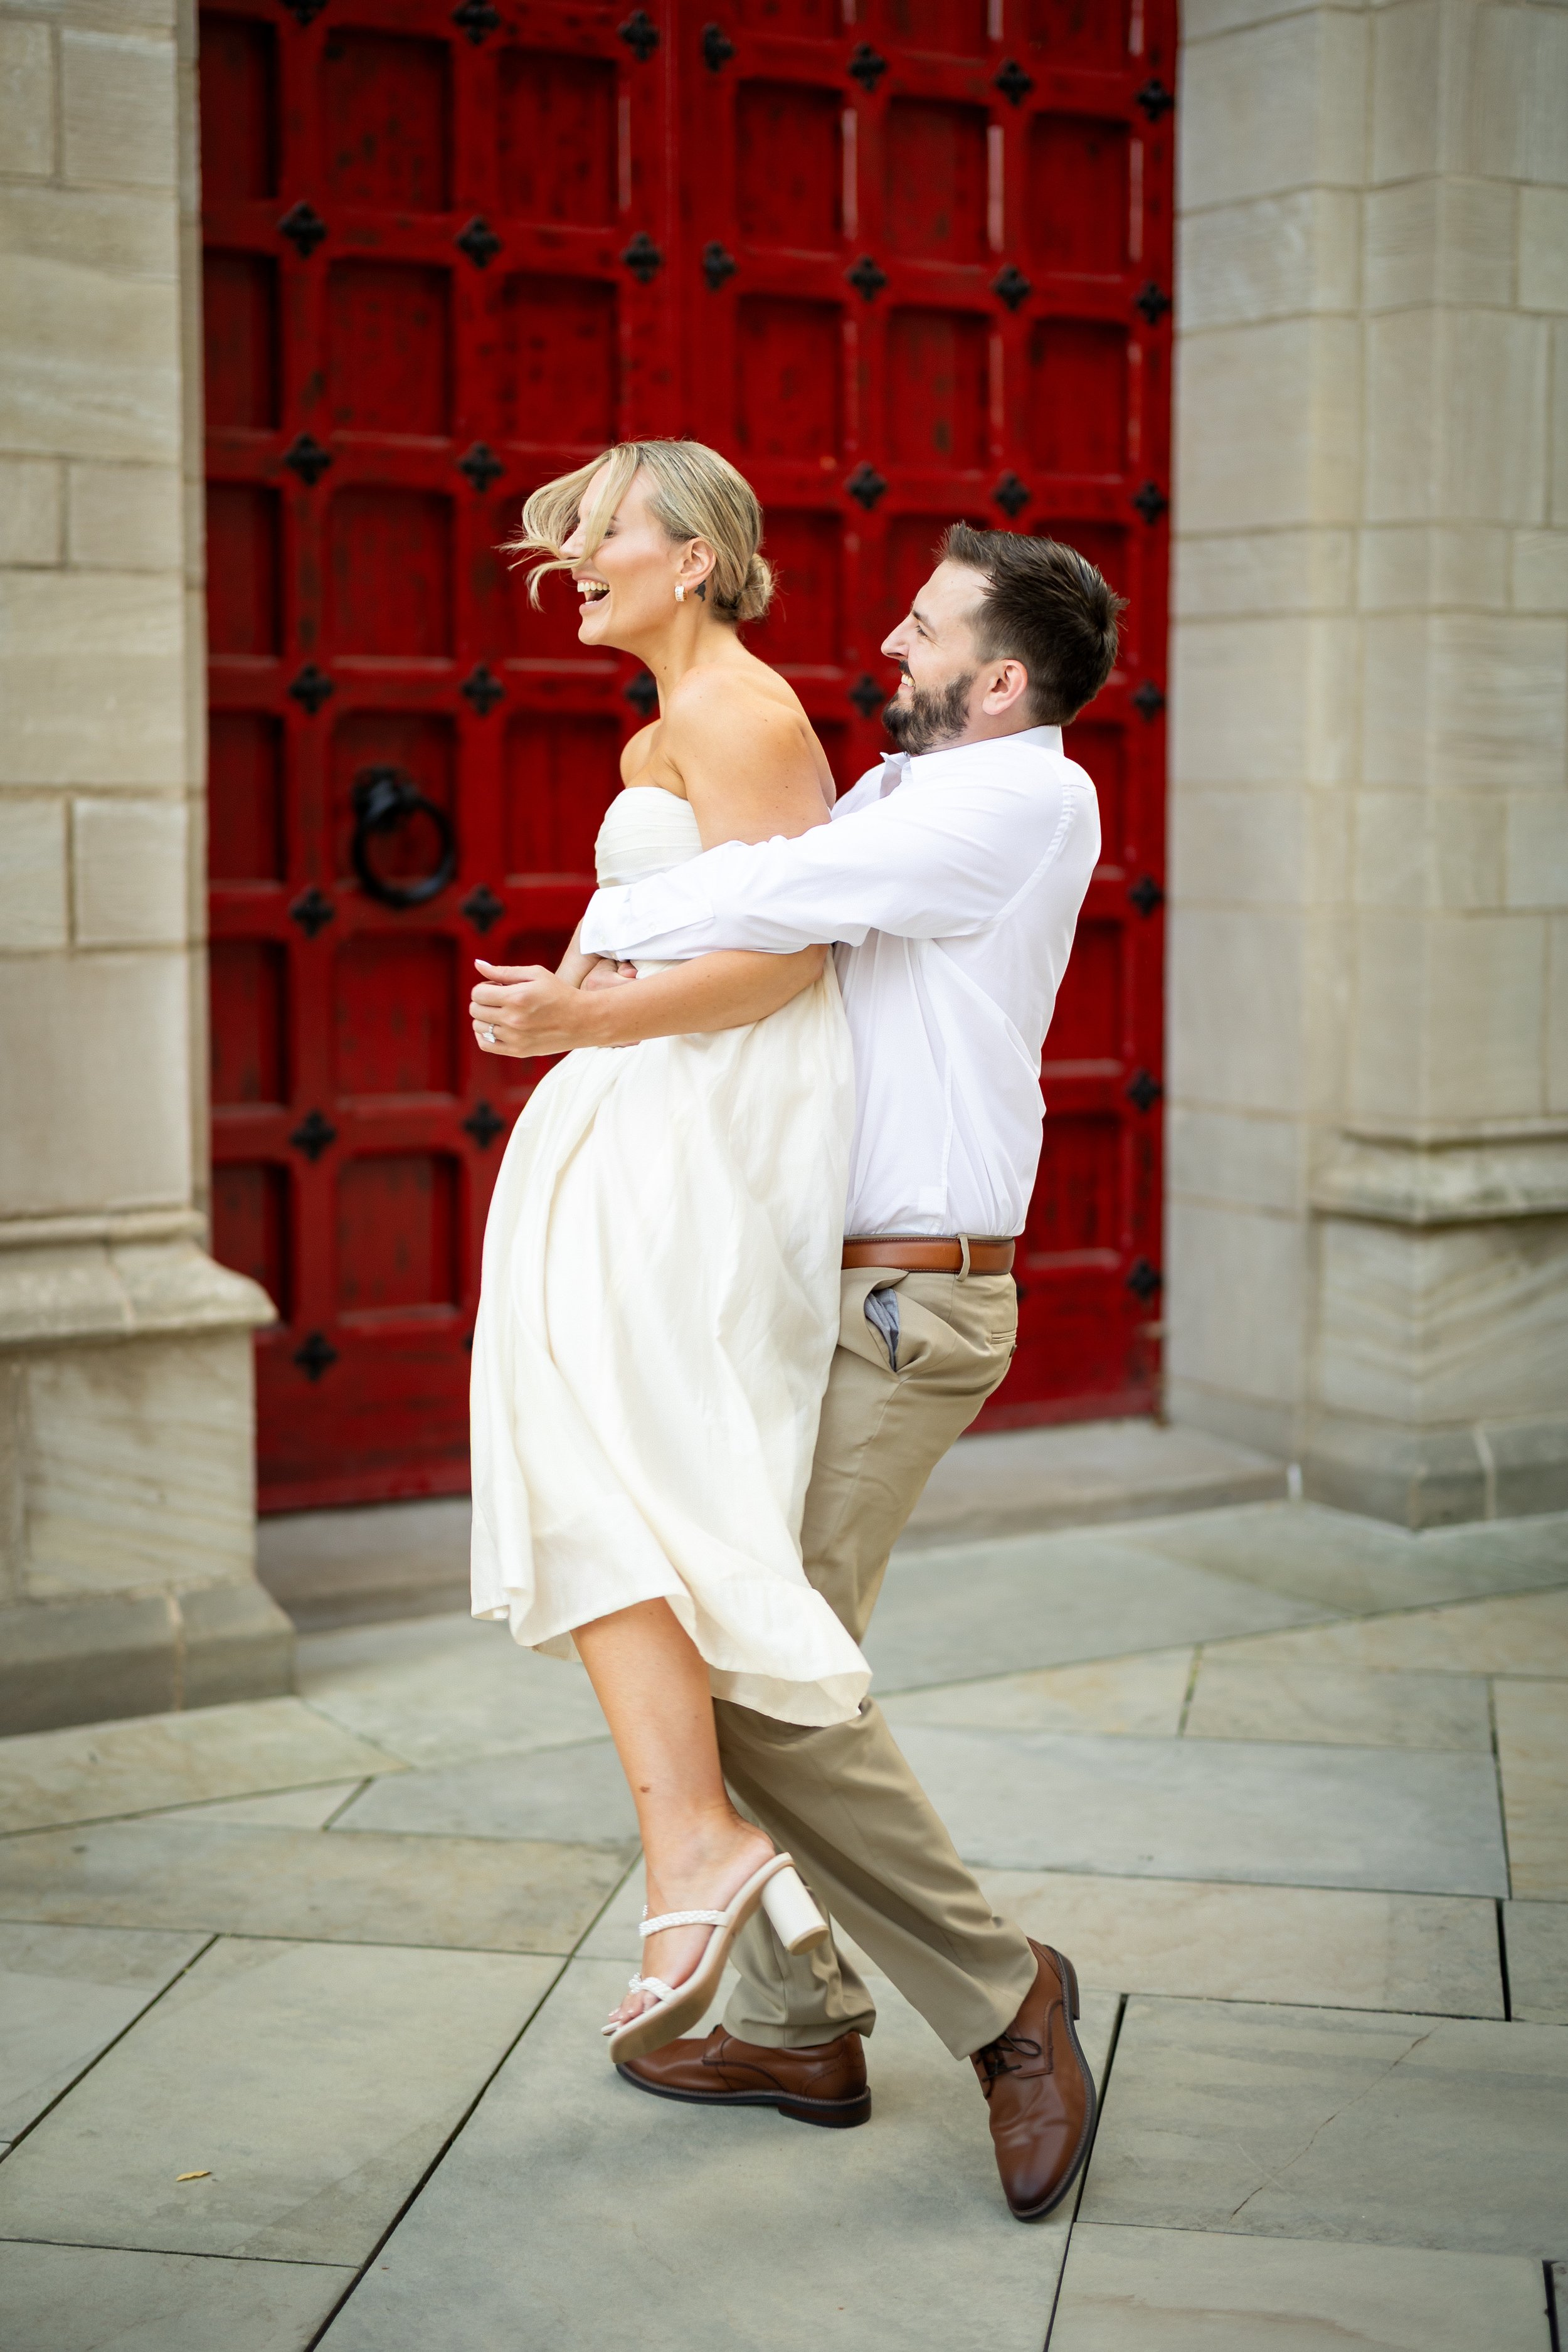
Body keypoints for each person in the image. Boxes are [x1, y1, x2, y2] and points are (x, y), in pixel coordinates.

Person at [474, 518, 1123, 2223]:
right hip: (802, 1290)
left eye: (919, 634)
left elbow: (790, 900)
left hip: (909, 1308)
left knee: (761, 1678)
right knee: (708, 1640)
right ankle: (792, 2029)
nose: (885, 648)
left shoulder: (1022, 800)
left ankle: (1002, 2003)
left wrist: (608, 953)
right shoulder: (907, 791)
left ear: (997, 678)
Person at [467, 438, 871, 2065]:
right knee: (585, 1464)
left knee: (615, 1476)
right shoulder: (672, 723)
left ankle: (702, 1853)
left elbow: (789, 963)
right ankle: (750, 1933)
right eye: (560, 535)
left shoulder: (741, 714)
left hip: (700, 1147)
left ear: (695, 555)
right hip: (634, 1123)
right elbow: (689, 922)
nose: (571, 557)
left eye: (600, 531)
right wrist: (574, 991)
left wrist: (587, 1013)